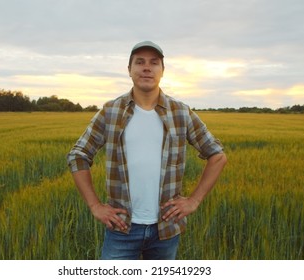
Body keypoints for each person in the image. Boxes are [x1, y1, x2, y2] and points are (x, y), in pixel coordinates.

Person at [66, 41, 227, 260]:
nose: (146, 68)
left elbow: (217, 155)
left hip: (166, 229)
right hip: (121, 227)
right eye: (139, 62)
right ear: (129, 70)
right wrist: (95, 205)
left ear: (162, 70)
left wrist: (194, 201)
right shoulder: (111, 111)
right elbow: (78, 155)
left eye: (154, 63)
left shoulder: (180, 112)